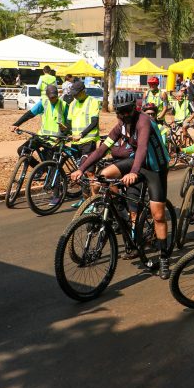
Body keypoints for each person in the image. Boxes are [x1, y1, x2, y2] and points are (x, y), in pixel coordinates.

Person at [71, 90, 172, 278]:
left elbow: (142, 147)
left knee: (158, 215)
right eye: (120, 112)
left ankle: (164, 258)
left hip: (154, 167)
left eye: (126, 111)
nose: (124, 115)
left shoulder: (143, 121)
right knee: (103, 175)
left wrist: (133, 172)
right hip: (136, 163)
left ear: (134, 108)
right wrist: (82, 169)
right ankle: (118, 211)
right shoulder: (120, 125)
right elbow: (102, 149)